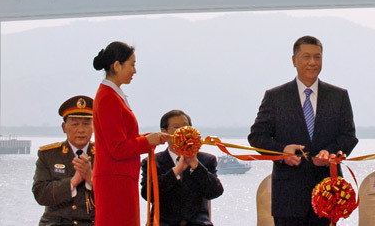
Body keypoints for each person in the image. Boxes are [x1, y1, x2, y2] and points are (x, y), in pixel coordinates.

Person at [248, 35, 358, 226]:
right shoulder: (275, 97)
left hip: (327, 196)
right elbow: (257, 136)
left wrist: (329, 153)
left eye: (317, 57)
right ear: (294, 60)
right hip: (288, 197)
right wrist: (281, 151)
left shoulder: (338, 96)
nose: (312, 62)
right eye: (306, 57)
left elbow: (348, 137)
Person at [92, 41, 169, 226]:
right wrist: (146, 142)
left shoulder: (113, 94)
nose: (134, 71)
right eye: (132, 65)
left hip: (120, 177)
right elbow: (117, 148)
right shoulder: (108, 97)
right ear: (117, 65)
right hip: (115, 179)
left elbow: (124, 138)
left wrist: (150, 138)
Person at [140, 109, 224, 226]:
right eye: (176, 127)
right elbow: (147, 194)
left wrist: (196, 165)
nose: (182, 131)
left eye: (186, 127)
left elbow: (215, 191)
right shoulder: (152, 162)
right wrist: (175, 172)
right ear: (164, 132)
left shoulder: (207, 160)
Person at [32, 95, 96, 226]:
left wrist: (91, 178)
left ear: (94, 126)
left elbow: (115, 197)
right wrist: (73, 181)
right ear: (64, 127)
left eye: (86, 123)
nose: (81, 130)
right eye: (75, 124)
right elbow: (40, 194)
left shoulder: (103, 155)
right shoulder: (49, 155)